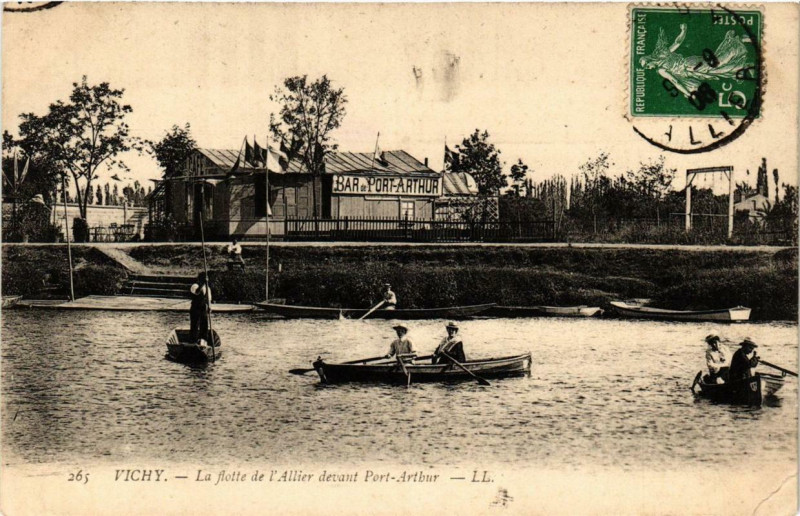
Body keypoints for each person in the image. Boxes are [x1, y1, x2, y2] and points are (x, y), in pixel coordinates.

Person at [189, 272, 212, 343]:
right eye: (203, 279)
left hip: (203, 308)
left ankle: (204, 340)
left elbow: (208, 299)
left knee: (204, 325)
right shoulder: (194, 286)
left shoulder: (207, 288)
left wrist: (209, 307)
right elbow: (197, 292)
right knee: (195, 325)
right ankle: (193, 341)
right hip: (195, 308)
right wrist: (202, 284)